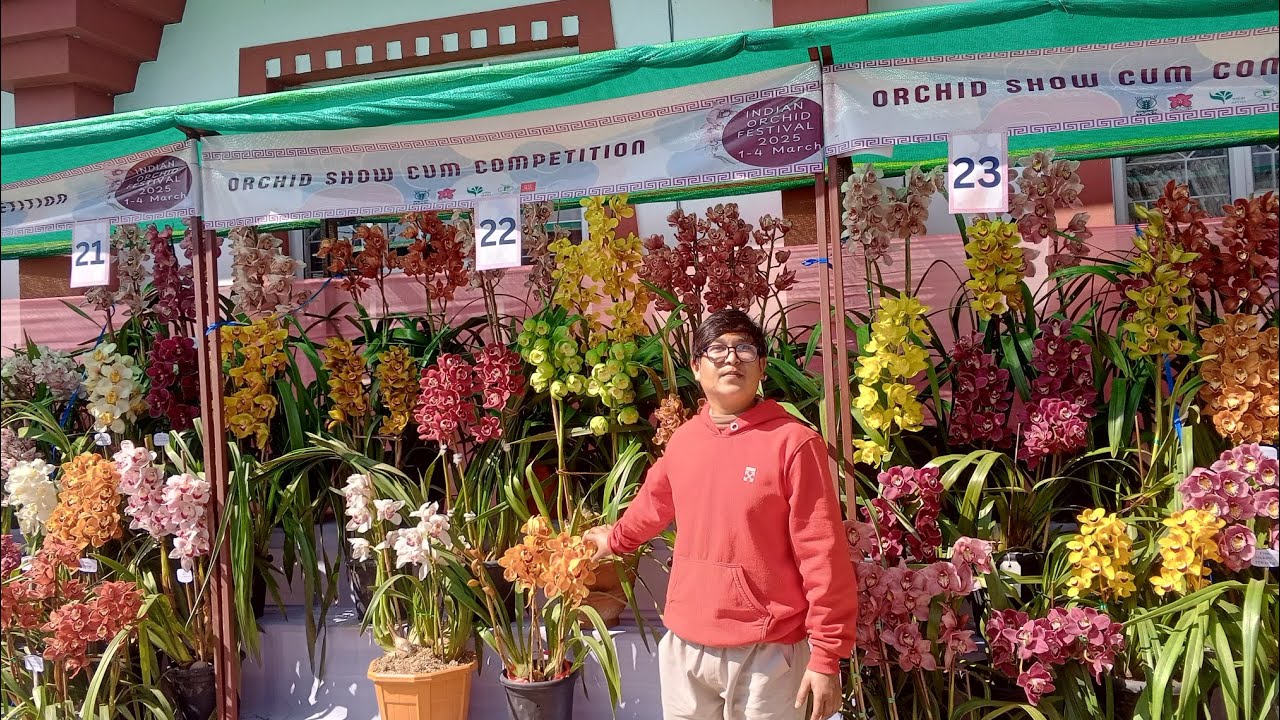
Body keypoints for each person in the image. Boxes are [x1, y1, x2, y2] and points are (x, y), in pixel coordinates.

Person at [585, 309, 858, 720]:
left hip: (769, 652)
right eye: (717, 349)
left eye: (744, 348)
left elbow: (822, 553)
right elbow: (653, 504)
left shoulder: (794, 444)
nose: (731, 358)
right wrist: (614, 540)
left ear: (762, 367)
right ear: (697, 367)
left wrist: (826, 657)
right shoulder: (685, 441)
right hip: (686, 646)